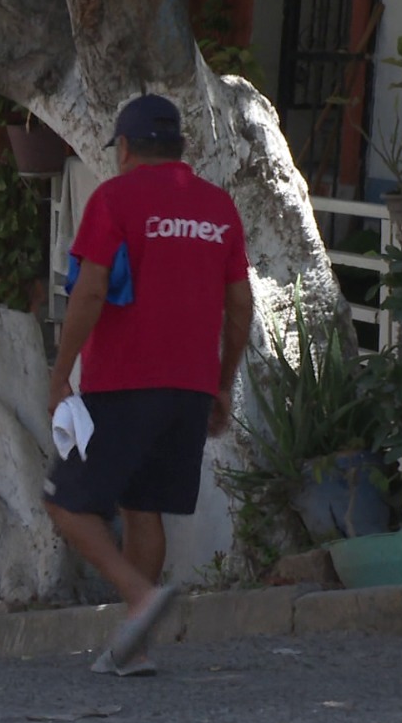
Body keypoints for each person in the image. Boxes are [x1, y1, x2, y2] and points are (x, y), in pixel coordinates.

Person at [44, 94, 254, 677]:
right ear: (180, 148)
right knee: (144, 507)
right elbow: (241, 303)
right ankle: (133, 649)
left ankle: (140, 597)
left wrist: (60, 375)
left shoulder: (114, 198)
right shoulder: (218, 208)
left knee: (66, 504)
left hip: (124, 381)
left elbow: (87, 292)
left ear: (127, 148)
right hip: (189, 386)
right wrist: (222, 383)